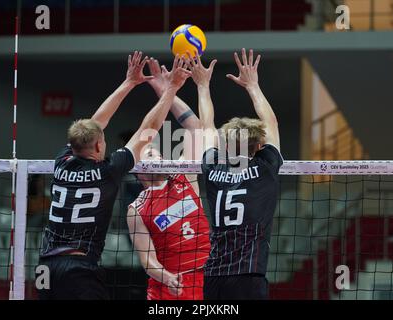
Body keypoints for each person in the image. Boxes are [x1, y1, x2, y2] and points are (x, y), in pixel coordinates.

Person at [37, 52, 191, 300]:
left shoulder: (62, 162)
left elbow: (94, 124)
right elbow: (147, 131)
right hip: (80, 269)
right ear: (98, 146)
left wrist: (128, 82)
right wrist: (171, 88)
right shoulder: (108, 170)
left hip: (46, 266)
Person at [186, 49, 283, 300]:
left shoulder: (213, 168)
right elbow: (271, 122)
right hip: (248, 276)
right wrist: (253, 85)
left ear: (225, 145)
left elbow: (206, 126)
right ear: (259, 147)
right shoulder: (265, 167)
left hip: (214, 274)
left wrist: (202, 85)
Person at [127, 58, 210, 300]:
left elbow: (196, 128)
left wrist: (165, 90)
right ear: (138, 168)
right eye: (149, 153)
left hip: (208, 276)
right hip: (172, 285)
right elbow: (147, 258)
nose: (157, 155)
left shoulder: (184, 176)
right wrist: (167, 277)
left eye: (158, 151)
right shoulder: (137, 209)